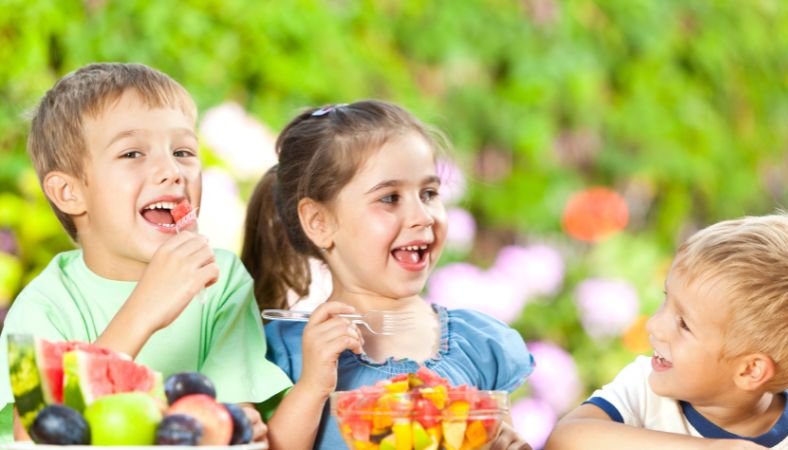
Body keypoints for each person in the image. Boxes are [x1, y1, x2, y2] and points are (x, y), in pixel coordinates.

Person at [0, 63, 294, 445]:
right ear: (69, 192)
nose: (172, 171)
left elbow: (234, 424)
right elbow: (37, 435)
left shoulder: (221, 279)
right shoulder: (43, 306)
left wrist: (238, 422)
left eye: (184, 151)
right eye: (133, 153)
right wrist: (144, 310)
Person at [241, 100, 536, 450]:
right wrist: (312, 386)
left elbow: (500, 435)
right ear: (319, 222)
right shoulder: (285, 354)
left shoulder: (479, 345)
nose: (422, 216)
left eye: (429, 193)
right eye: (390, 198)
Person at [545, 214, 788, 450]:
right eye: (666, 298)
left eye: (684, 324)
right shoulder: (643, 390)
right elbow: (564, 439)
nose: (653, 324)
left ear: (750, 370)